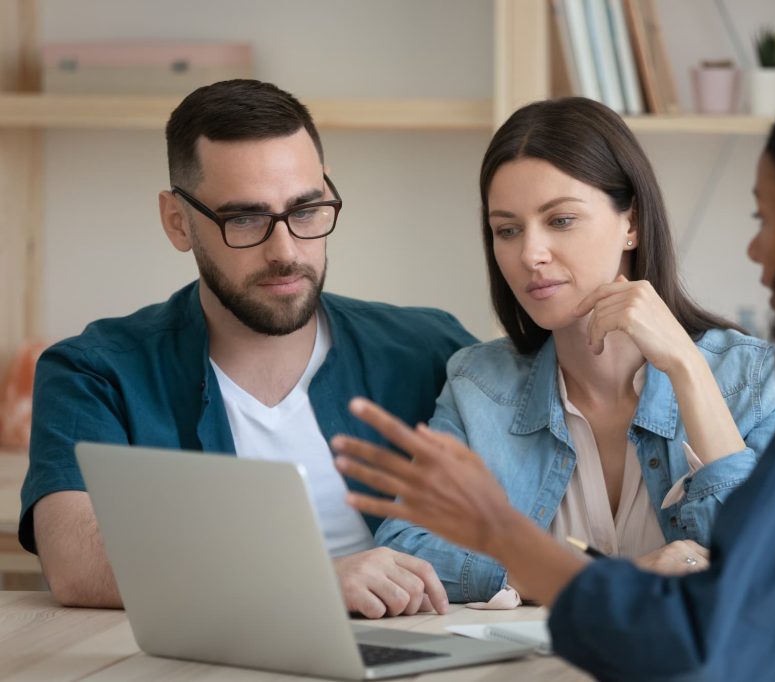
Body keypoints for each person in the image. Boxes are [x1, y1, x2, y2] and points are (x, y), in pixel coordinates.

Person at [332, 74, 775, 680]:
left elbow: (717, 640)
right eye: (505, 229)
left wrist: (506, 536)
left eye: (767, 217)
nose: (754, 247)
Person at [20, 79, 476, 619]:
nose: (285, 252)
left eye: (306, 211)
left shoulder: (431, 351)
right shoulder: (95, 372)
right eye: (245, 219)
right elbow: (75, 561)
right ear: (177, 222)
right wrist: (310, 582)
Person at [375, 96, 775, 603]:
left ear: (631, 223)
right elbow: (406, 549)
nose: (530, 254)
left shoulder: (755, 381)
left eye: (561, 220)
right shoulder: (479, 385)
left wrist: (686, 368)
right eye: (507, 230)